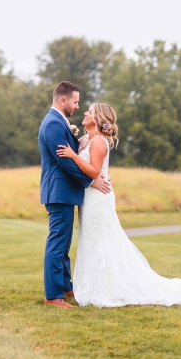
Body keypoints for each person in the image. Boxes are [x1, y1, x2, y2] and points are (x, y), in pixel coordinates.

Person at [57, 102, 181, 308]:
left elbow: (95, 172)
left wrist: (73, 156)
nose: (85, 113)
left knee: (100, 239)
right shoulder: (86, 138)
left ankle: (105, 287)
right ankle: (93, 283)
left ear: (98, 118)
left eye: (90, 111)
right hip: (89, 197)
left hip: (98, 199)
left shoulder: (99, 142)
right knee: (92, 238)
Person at [38, 81, 110, 308]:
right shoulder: (52, 124)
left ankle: (66, 287)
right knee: (57, 244)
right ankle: (53, 296)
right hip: (59, 192)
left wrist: (97, 174)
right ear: (63, 100)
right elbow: (64, 162)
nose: (78, 106)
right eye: (76, 102)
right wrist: (91, 180)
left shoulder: (61, 122)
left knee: (64, 244)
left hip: (65, 192)